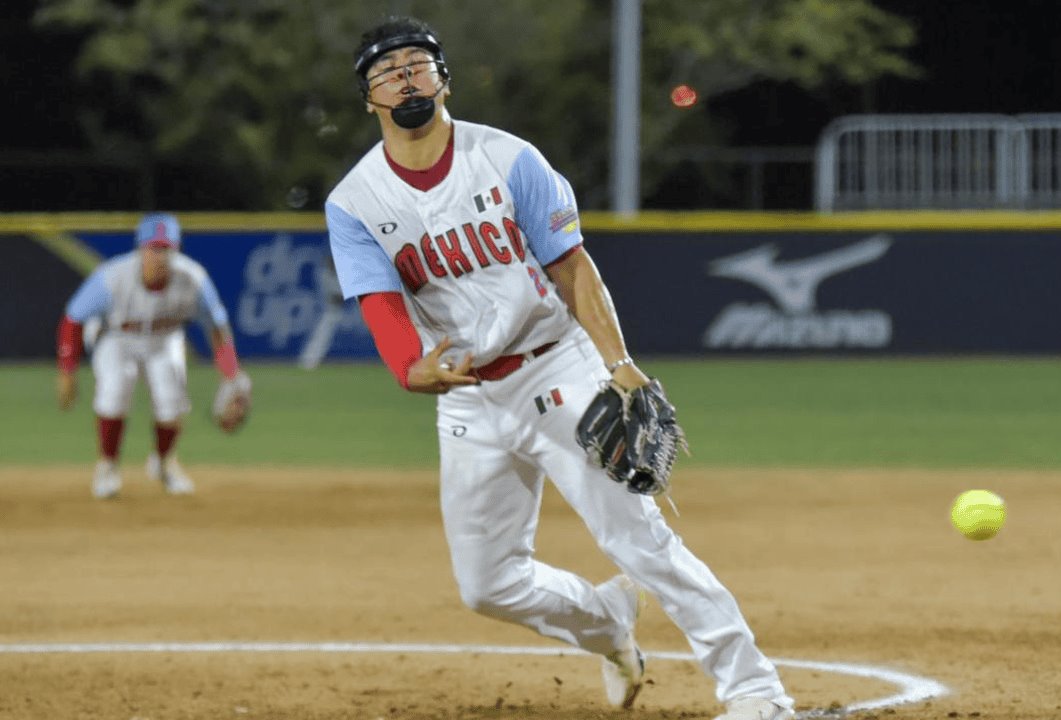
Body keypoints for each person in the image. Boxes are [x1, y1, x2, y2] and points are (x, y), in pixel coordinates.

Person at [324, 16, 794, 720]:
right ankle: (606, 624)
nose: (405, 79)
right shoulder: (355, 202)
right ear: (369, 99)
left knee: (640, 540)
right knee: (488, 585)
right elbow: (384, 309)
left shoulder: (509, 159)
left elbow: (572, 269)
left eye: (417, 64)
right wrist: (408, 369)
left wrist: (620, 364)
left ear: (443, 77)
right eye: (386, 72)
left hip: (555, 366)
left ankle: (756, 691)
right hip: (468, 397)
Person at [56, 212, 245, 499]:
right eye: (153, 248)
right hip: (116, 337)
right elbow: (73, 318)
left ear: (176, 249)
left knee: (172, 404)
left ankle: (164, 463)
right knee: (115, 392)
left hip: (164, 339)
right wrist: (67, 370)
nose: (159, 256)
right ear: (140, 249)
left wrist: (231, 374)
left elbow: (217, 328)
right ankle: (107, 468)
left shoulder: (193, 279)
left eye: (165, 248)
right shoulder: (112, 277)